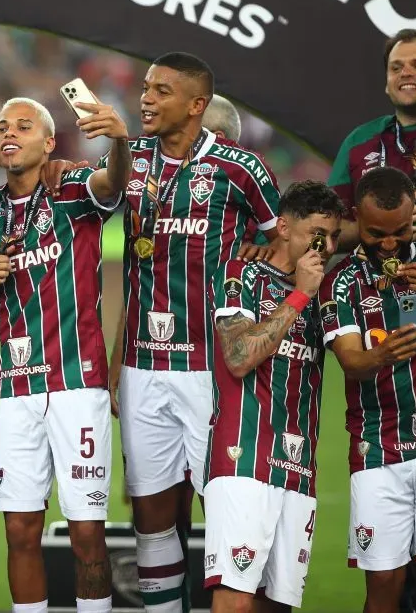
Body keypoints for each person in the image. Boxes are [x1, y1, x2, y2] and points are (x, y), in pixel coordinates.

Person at [99, 52, 281, 612]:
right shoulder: (131, 167)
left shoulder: (239, 170)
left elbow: (290, 241)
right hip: (142, 368)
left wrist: (267, 251)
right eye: (146, 88)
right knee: (151, 516)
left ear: (198, 105)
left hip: (213, 371)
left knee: (225, 508)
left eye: (162, 91)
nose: (147, 98)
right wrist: (112, 361)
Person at [0, 94, 130, 613]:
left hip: (76, 385)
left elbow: (114, 184)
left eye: (23, 125)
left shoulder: (71, 188)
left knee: (86, 531)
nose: (9, 132)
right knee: (19, 528)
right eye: (1, 126)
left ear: (49, 142)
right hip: (16, 389)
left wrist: (120, 142)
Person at [204, 181, 346, 612]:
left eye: (334, 235)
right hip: (243, 457)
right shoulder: (241, 274)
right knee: (236, 601)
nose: (325, 244)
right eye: (316, 233)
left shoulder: (327, 290)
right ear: (283, 227)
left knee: (276, 605)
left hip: (299, 464)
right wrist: (300, 293)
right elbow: (239, 357)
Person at [320, 167, 416, 613]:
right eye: (377, 233)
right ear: (356, 216)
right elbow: (351, 362)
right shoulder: (340, 281)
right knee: (383, 586)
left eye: (399, 231)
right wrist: (383, 355)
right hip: (379, 452)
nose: (389, 243)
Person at [331, 30, 416, 248]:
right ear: (388, 84)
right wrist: (382, 224)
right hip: (379, 280)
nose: (405, 73)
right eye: (396, 68)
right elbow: (327, 230)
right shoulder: (358, 141)